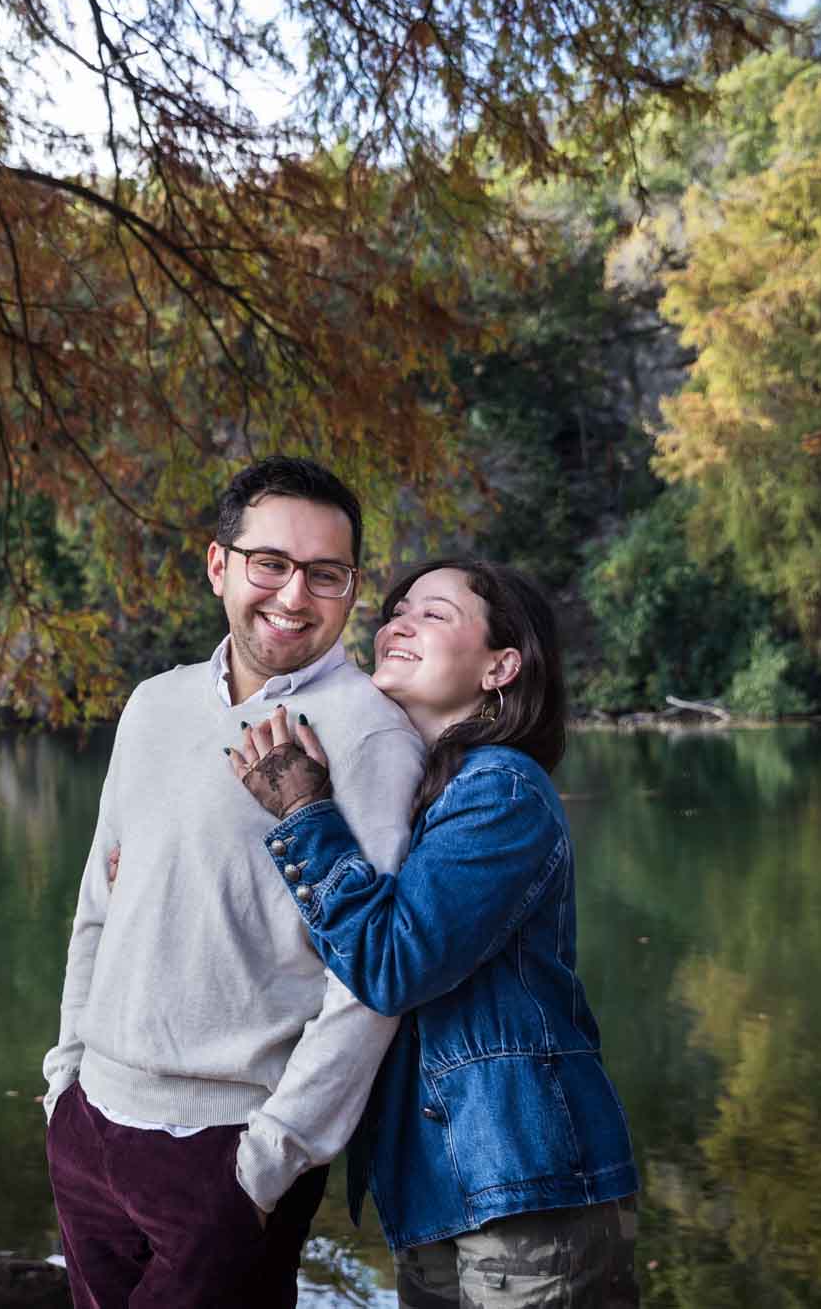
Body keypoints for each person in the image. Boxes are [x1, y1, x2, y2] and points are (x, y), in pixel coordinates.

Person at [41, 456, 425, 1308]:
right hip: (92, 1127)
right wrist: (64, 1086)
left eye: (324, 573)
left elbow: (368, 981)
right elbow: (98, 908)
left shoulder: (369, 734)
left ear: (352, 588)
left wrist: (268, 1162)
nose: (294, 595)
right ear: (219, 565)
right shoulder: (154, 705)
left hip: (228, 1150)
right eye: (271, 563)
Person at [228, 559, 640, 1308]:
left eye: (434, 614)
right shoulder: (417, 797)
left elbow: (392, 962)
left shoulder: (502, 788)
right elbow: (335, 935)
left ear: (500, 667)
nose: (398, 623)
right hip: (435, 1192)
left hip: (521, 1185)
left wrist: (304, 814)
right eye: (397, 610)